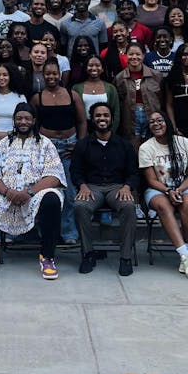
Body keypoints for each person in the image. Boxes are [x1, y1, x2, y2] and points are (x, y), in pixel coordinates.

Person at [0, 102, 66, 280]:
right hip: (5, 196)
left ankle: (47, 257)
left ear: (34, 121)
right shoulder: (5, 143)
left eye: (27, 118)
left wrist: (29, 192)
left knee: (52, 198)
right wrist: (6, 191)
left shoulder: (45, 144)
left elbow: (55, 175)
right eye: (19, 118)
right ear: (14, 121)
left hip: (34, 196)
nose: (23, 122)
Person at [71, 102, 139, 276]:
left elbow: (133, 173)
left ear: (112, 119)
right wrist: (82, 186)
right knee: (80, 206)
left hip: (117, 188)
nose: (102, 119)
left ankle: (125, 257)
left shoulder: (124, 145)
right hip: (92, 188)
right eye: (98, 116)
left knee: (129, 207)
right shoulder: (83, 145)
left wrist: (127, 187)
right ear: (92, 119)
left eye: (106, 115)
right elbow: (75, 171)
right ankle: (88, 253)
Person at [138, 110, 188, 278]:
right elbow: (151, 180)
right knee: (162, 204)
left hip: (185, 186)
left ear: (167, 122)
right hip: (159, 189)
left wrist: (179, 190)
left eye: (160, 120)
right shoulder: (146, 147)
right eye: (152, 122)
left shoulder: (184, 143)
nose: (156, 124)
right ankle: (185, 256)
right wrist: (168, 191)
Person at [31, 59, 86, 246]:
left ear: (60, 74)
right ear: (42, 75)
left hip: (68, 147)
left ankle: (69, 232)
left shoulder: (73, 95)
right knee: (44, 192)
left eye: (55, 73)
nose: (51, 77)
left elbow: (81, 122)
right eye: (48, 74)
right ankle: (44, 231)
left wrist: (80, 145)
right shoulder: (37, 97)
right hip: (46, 148)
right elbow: (33, 124)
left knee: (70, 192)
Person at [116, 43, 164, 142]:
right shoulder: (119, 78)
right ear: (126, 55)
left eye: (138, 54)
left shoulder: (156, 76)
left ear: (143, 55)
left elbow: (162, 99)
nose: (134, 57)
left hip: (152, 116)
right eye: (131, 54)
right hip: (130, 118)